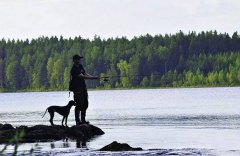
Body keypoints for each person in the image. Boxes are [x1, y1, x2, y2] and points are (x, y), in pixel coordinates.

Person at [70, 54, 99, 125]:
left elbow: (85, 73)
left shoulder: (80, 66)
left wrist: (93, 77)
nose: (79, 60)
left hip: (83, 88)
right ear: (74, 60)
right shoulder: (73, 69)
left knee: (85, 104)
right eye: (78, 59)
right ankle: (77, 121)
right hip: (77, 89)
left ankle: (83, 120)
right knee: (79, 104)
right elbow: (82, 76)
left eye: (79, 59)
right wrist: (93, 78)